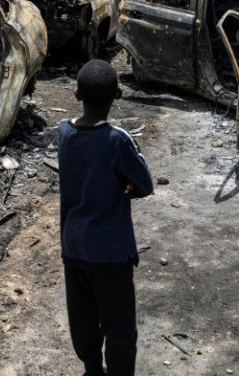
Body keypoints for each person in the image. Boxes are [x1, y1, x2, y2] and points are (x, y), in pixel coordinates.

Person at [58, 59, 153, 376]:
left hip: (74, 247)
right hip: (111, 252)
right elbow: (144, 183)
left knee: (83, 319)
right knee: (119, 328)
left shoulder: (63, 133)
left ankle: (91, 370)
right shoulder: (117, 139)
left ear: (76, 94)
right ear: (118, 95)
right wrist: (122, 186)